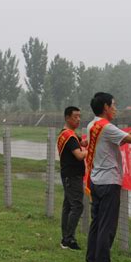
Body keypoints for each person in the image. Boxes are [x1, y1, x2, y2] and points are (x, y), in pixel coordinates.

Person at [85, 92, 131, 262]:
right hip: (109, 182)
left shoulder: (93, 125)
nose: (115, 108)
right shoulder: (107, 127)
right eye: (113, 105)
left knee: (96, 224)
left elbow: (117, 139)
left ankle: (92, 260)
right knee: (107, 226)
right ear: (105, 107)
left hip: (96, 181)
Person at [58, 106, 87, 250]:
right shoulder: (69, 136)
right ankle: (69, 239)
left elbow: (80, 144)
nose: (78, 119)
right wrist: (88, 150)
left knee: (68, 206)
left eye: (79, 116)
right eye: (75, 116)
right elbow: (79, 155)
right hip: (72, 176)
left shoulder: (67, 134)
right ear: (67, 118)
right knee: (77, 206)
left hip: (68, 175)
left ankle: (65, 239)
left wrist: (84, 144)